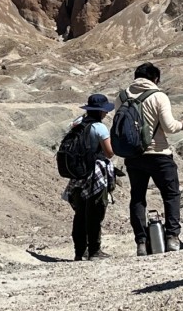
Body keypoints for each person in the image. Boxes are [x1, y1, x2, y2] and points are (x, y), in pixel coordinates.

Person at [115, 63, 183, 256]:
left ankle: (141, 242)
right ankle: (172, 238)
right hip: (159, 155)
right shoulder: (159, 96)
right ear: (155, 79)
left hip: (133, 156)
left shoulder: (121, 97)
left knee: (138, 198)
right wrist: (182, 124)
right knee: (171, 195)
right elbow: (169, 127)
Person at [61, 94, 115, 261]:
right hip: (94, 174)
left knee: (80, 213)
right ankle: (94, 250)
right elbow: (109, 153)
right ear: (100, 111)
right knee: (95, 212)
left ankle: (79, 251)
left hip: (77, 175)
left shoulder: (77, 124)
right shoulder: (99, 127)